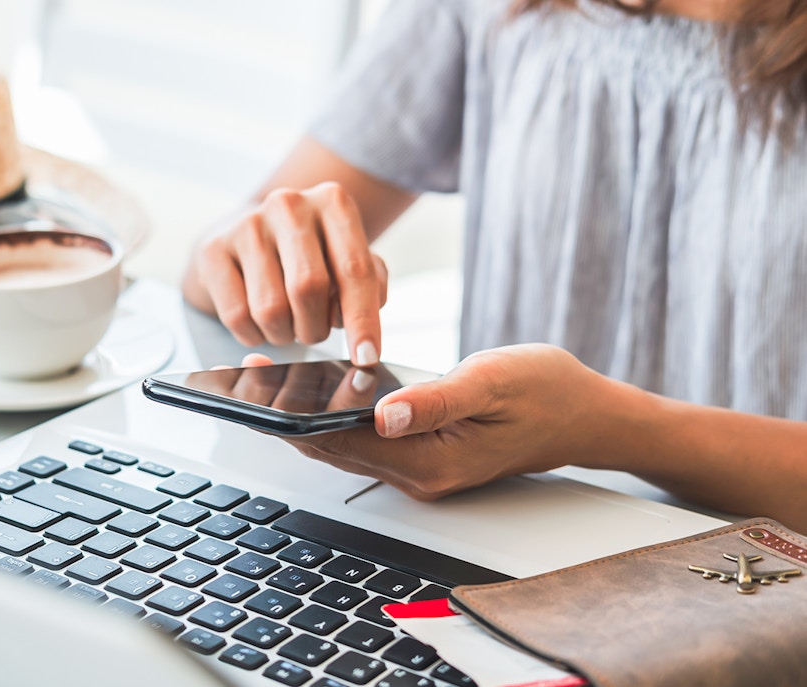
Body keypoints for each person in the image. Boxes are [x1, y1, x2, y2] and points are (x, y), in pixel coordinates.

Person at [182, 0, 807, 532]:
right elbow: (211, 272)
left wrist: (604, 430)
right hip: (485, 535)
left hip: (762, 590)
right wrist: (248, 254)